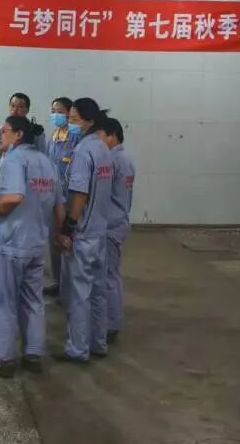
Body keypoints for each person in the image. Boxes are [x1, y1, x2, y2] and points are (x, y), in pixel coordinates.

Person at [0, 116, 64, 378]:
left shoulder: (14, 159)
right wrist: (59, 233)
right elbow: (59, 205)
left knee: (3, 301)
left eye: (4, 130)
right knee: (33, 300)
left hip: (9, 243)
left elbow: (13, 197)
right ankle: (33, 354)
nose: (0, 135)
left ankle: (3, 359)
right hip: (36, 242)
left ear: (18, 135)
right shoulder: (47, 163)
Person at [54, 98, 114, 363]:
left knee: (79, 293)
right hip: (100, 230)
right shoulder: (103, 148)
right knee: (98, 291)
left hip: (84, 232)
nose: (70, 123)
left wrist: (68, 227)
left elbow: (79, 194)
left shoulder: (83, 151)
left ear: (88, 120)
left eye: (73, 119)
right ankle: (98, 342)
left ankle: (77, 349)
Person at [97, 117, 135, 343]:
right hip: (119, 220)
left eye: (100, 136)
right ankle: (112, 320)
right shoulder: (125, 158)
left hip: (110, 224)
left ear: (112, 135)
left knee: (108, 276)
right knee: (112, 274)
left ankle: (111, 324)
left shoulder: (112, 160)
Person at [44, 97, 79, 298]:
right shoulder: (53, 137)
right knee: (54, 241)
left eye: (59, 111)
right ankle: (58, 282)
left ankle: (70, 286)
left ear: (69, 113)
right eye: (53, 110)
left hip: (70, 198)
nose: (55, 115)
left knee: (69, 242)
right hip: (54, 197)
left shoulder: (76, 138)